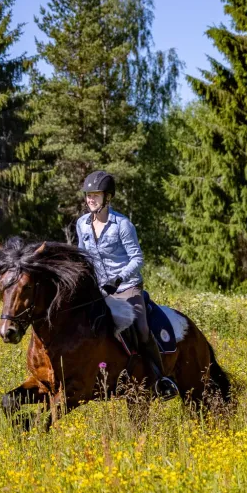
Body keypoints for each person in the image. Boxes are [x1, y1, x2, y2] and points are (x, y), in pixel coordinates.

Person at [75, 170, 179, 399]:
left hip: (127, 286)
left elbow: (137, 258)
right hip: (99, 289)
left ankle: (161, 378)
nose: (90, 199)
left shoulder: (122, 224)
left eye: (96, 195)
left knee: (141, 329)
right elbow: (83, 257)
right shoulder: (81, 224)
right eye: (88, 195)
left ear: (107, 197)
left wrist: (119, 278)